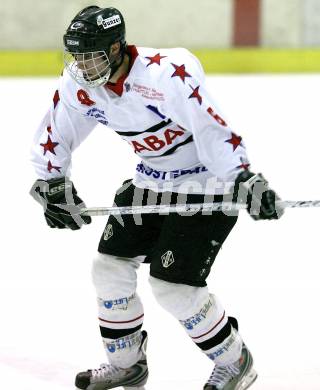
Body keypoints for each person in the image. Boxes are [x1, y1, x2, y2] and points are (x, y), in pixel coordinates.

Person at [30, 5, 284, 390]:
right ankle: (127, 364)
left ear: (116, 48)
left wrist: (243, 176)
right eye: (75, 56)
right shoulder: (80, 83)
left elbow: (210, 126)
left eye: (90, 55)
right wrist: (52, 183)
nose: (81, 66)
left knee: (173, 286)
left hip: (206, 184)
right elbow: (57, 129)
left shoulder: (168, 73)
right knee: (109, 268)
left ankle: (236, 362)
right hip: (150, 180)